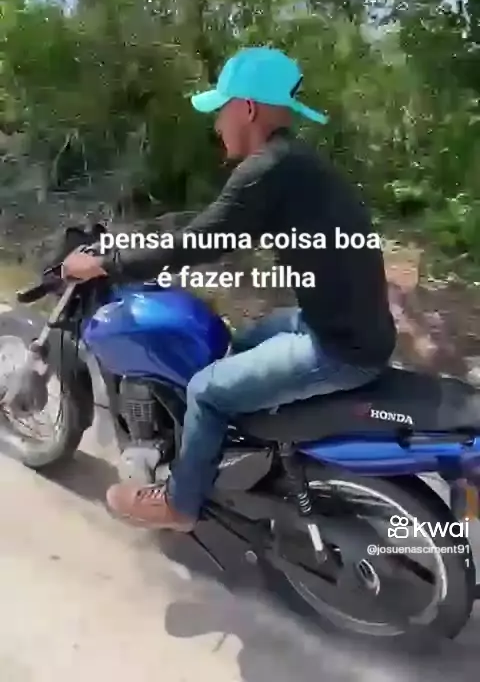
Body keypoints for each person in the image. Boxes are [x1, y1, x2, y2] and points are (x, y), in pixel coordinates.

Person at [62, 46, 397, 532]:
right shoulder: (293, 164)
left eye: (222, 109)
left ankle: (179, 504)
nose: (217, 122)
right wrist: (144, 242)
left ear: (248, 108)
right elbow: (216, 226)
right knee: (239, 342)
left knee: (206, 390)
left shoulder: (267, 170)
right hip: (343, 322)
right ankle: (233, 459)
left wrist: (104, 264)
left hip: (340, 347)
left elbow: (201, 241)